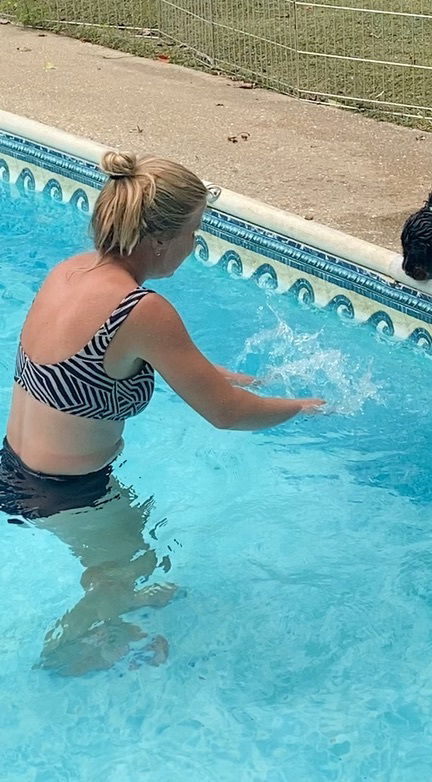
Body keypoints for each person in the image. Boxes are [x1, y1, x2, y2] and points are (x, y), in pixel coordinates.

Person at [1, 150, 325, 674]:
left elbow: (99, 361)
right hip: (68, 493)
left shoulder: (70, 272)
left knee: (112, 559)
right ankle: (66, 657)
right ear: (158, 240)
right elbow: (228, 415)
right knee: (131, 566)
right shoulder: (141, 309)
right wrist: (298, 407)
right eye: (194, 231)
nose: (195, 244)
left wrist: (206, 371)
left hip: (15, 468)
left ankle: (111, 596)